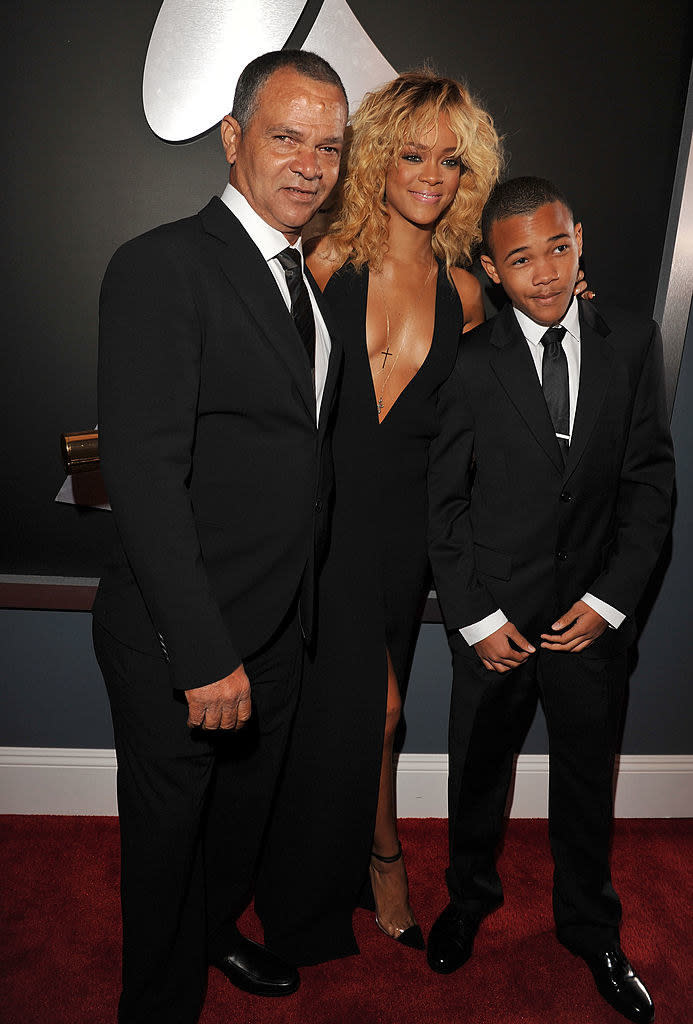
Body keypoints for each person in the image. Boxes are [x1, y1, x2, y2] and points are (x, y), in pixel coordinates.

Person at [91, 50, 347, 1024]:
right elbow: (145, 478)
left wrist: (291, 627)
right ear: (234, 138)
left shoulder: (304, 283)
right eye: (286, 136)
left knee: (237, 822)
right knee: (166, 840)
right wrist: (201, 654)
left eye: (328, 145)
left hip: (281, 624)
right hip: (185, 636)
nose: (309, 163)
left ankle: (212, 936)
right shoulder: (161, 266)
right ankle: (158, 1000)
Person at [255, 70, 501, 963]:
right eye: (410, 153)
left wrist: (575, 296)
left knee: (379, 714)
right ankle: (362, 863)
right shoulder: (323, 261)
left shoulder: (469, 296)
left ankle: (375, 858)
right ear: (377, 160)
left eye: (449, 159)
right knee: (341, 713)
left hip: (402, 537)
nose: (430, 174)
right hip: (317, 526)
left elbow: (493, 412)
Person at [426, 177, 674, 1023]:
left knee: (583, 777)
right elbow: (444, 504)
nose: (543, 273)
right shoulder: (465, 364)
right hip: (494, 619)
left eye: (557, 248)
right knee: (478, 767)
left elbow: (648, 485)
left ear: (581, 243)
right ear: (492, 271)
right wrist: (476, 618)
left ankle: (590, 927)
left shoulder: (632, 341)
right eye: (520, 259)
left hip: (589, 623)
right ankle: (467, 898)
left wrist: (609, 602)